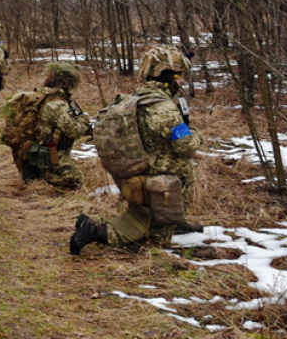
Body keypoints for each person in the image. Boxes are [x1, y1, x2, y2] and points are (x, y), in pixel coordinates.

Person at [70, 46, 202, 255]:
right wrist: (195, 134)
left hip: (137, 174)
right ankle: (94, 231)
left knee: (144, 221)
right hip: (158, 180)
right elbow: (185, 144)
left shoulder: (135, 99)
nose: (182, 82)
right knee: (152, 242)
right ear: (165, 77)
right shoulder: (164, 108)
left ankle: (171, 222)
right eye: (178, 76)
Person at [6, 62, 88, 190]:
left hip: (29, 150)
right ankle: (43, 175)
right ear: (67, 84)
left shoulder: (40, 95)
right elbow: (74, 131)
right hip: (46, 153)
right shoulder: (57, 104)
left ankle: (32, 172)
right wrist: (84, 122)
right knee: (75, 179)